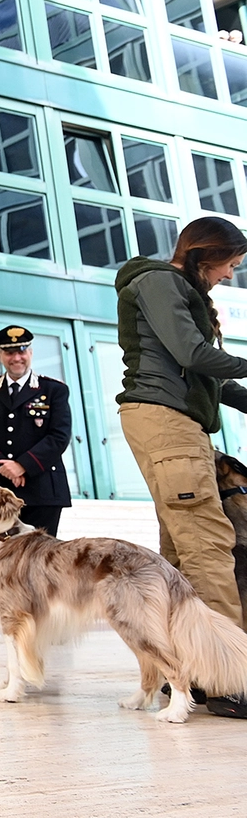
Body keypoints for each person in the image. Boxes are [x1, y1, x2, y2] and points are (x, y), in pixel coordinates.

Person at [115, 216, 247, 719]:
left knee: (178, 555)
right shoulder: (159, 281)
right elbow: (192, 353)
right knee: (209, 546)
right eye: (230, 265)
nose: (230, 275)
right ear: (206, 255)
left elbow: (206, 374)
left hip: (166, 420)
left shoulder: (167, 287)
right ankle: (231, 681)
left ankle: (187, 674)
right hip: (168, 423)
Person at [0, 327, 71, 536]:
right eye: (9, 352)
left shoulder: (53, 391)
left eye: (21, 351)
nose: (16, 358)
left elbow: (59, 435)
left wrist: (23, 465)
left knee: (39, 562)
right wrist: (3, 467)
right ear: (1, 355)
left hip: (41, 490)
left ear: (30, 353)